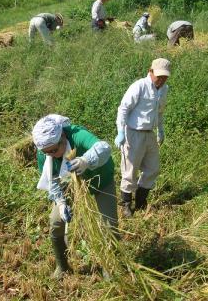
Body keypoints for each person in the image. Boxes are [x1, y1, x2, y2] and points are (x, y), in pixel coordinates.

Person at [32, 114, 118, 279]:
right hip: (70, 183)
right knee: (56, 221)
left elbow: (104, 147)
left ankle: (109, 266)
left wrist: (86, 160)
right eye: (46, 152)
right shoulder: (45, 152)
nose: (51, 155)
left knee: (109, 225)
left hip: (100, 179)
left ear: (63, 137)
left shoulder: (77, 135)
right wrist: (61, 203)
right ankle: (62, 267)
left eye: (54, 150)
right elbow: (52, 180)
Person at [114, 58, 170, 218]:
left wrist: (161, 130)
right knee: (130, 170)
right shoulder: (139, 86)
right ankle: (126, 204)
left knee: (153, 169)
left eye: (165, 77)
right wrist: (120, 132)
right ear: (150, 72)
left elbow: (160, 112)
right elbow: (123, 109)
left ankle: (140, 201)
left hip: (149, 134)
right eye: (159, 76)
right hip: (133, 132)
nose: (161, 79)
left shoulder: (164, 89)